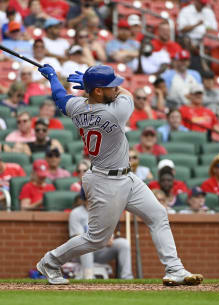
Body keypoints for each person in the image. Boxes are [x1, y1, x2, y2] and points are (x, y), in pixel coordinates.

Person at [35, 63, 203, 285]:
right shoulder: (115, 112)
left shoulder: (77, 107)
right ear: (97, 91)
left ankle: (175, 269)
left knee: (158, 215)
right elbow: (127, 93)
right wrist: (86, 80)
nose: (116, 89)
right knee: (97, 239)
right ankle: (50, 261)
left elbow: (59, 98)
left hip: (126, 177)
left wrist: (53, 78)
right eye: (110, 86)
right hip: (106, 181)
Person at [68, 195, 133, 279]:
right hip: (81, 254)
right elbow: (78, 238)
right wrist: (99, 239)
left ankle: (126, 277)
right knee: (85, 246)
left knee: (123, 243)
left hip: (100, 251)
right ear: (85, 199)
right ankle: (89, 277)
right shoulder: (76, 213)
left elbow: (109, 240)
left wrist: (103, 239)